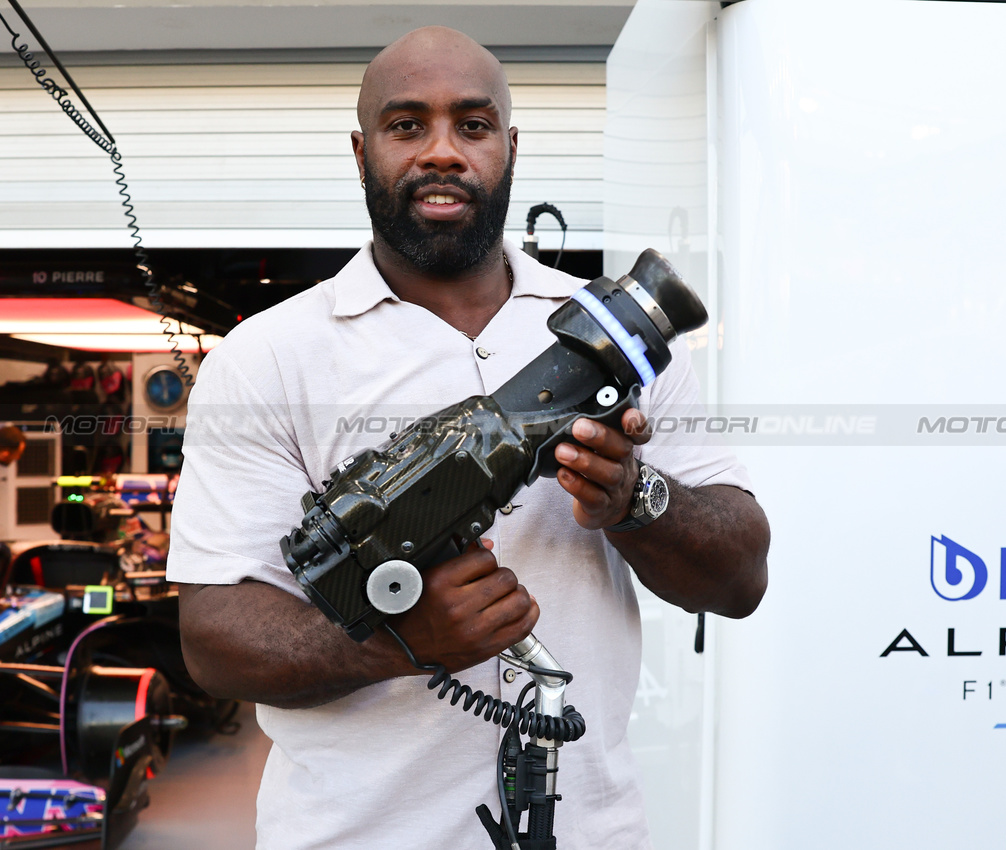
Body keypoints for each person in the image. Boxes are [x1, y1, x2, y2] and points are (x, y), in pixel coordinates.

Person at [168, 26, 769, 850]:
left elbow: (739, 578)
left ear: (510, 146)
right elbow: (213, 639)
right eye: (407, 125)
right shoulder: (267, 358)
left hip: (594, 831)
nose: (442, 151)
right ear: (361, 150)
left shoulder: (613, 340)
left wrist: (636, 499)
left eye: (473, 125)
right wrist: (396, 643)